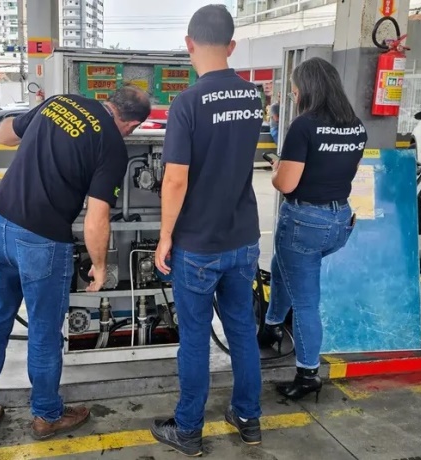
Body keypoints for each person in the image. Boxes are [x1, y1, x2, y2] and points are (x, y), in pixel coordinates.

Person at [0, 86, 151, 440]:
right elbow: (97, 216)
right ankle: (47, 415)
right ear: (132, 125)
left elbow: (3, 135)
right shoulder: (112, 144)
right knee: (44, 333)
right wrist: (100, 266)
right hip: (41, 239)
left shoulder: (60, 102)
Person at [151, 4, 265, 456]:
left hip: (197, 245)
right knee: (242, 331)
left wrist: (165, 236)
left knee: (195, 339)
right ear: (232, 46)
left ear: (189, 44)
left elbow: (175, 179)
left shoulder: (187, 103)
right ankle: (248, 419)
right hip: (243, 238)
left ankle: (188, 431)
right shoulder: (253, 97)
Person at [258, 57, 367, 401]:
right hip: (340, 220)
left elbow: (286, 185)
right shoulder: (355, 126)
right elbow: (349, 170)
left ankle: (308, 374)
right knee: (280, 266)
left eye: (294, 90)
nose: (293, 95)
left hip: (305, 222)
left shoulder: (304, 126)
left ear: (307, 89)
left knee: (306, 303)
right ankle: (271, 326)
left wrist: (277, 169)